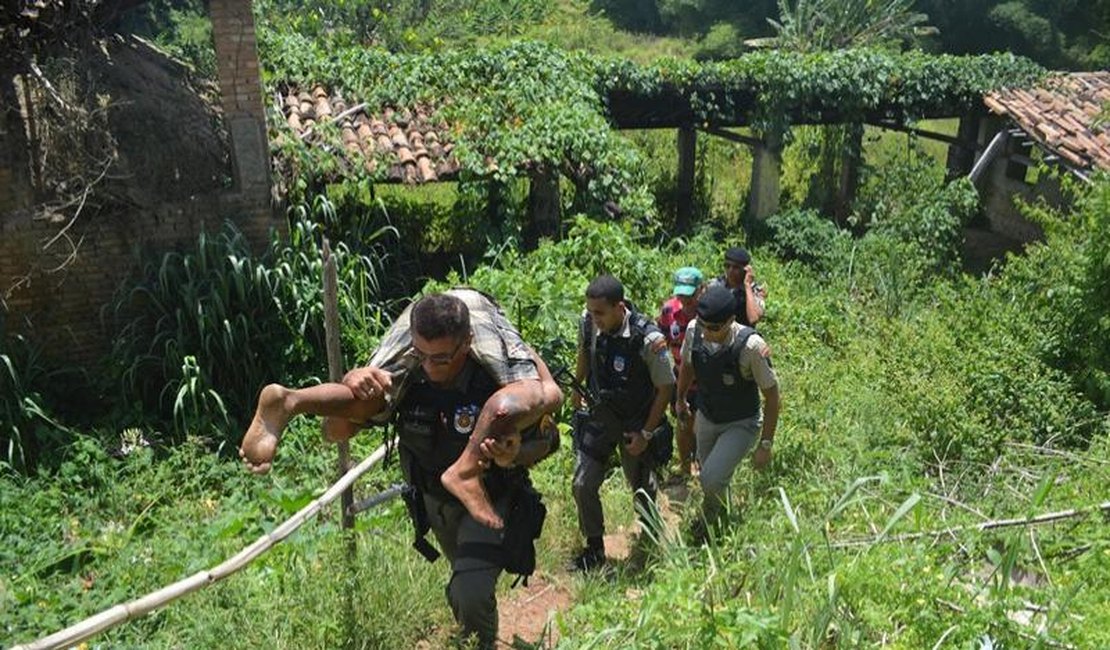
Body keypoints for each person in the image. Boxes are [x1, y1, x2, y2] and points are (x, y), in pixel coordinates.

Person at [238, 289, 563, 648]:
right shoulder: (408, 371)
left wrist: (511, 454)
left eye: (440, 359)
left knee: (469, 591)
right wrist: (353, 382)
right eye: (420, 355)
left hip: (492, 496)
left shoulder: (496, 373)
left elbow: (546, 439)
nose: (428, 366)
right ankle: (290, 400)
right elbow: (334, 432)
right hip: (434, 502)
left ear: (468, 343)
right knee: (463, 588)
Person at [571, 275, 675, 571]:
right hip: (600, 413)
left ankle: (651, 539)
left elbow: (666, 387)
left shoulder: (649, 339)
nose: (594, 318)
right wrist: (576, 388)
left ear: (620, 307)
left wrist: (645, 433)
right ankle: (594, 549)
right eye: (590, 311)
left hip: (636, 419)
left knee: (641, 486)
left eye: (600, 312)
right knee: (582, 483)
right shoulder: (588, 322)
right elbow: (584, 354)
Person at [675, 285, 779, 541]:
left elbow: (773, 395)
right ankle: (719, 522)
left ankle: (715, 527)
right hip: (708, 416)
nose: (707, 332)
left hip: (741, 423)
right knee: (711, 479)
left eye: (714, 328)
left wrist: (765, 444)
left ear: (731, 321)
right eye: (704, 325)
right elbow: (688, 365)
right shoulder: (694, 330)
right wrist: (680, 400)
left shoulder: (751, 347)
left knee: (710, 478)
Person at [657, 266, 703, 476]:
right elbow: (662, 337)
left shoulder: (709, 312)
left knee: (703, 424)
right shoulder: (669, 311)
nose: (686, 302)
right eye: (681, 296)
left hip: (705, 381)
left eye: (690, 296)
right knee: (684, 422)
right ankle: (686, 466)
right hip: (679, 378)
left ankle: (702, 463)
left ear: (701, 290)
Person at [708, 246, 765, 326]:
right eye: (727, 266)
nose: (730, 270)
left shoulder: (755, 290)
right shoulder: (716, 284)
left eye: (736, 267)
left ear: (745, 269)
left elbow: (753, 319)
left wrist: (747, 286)